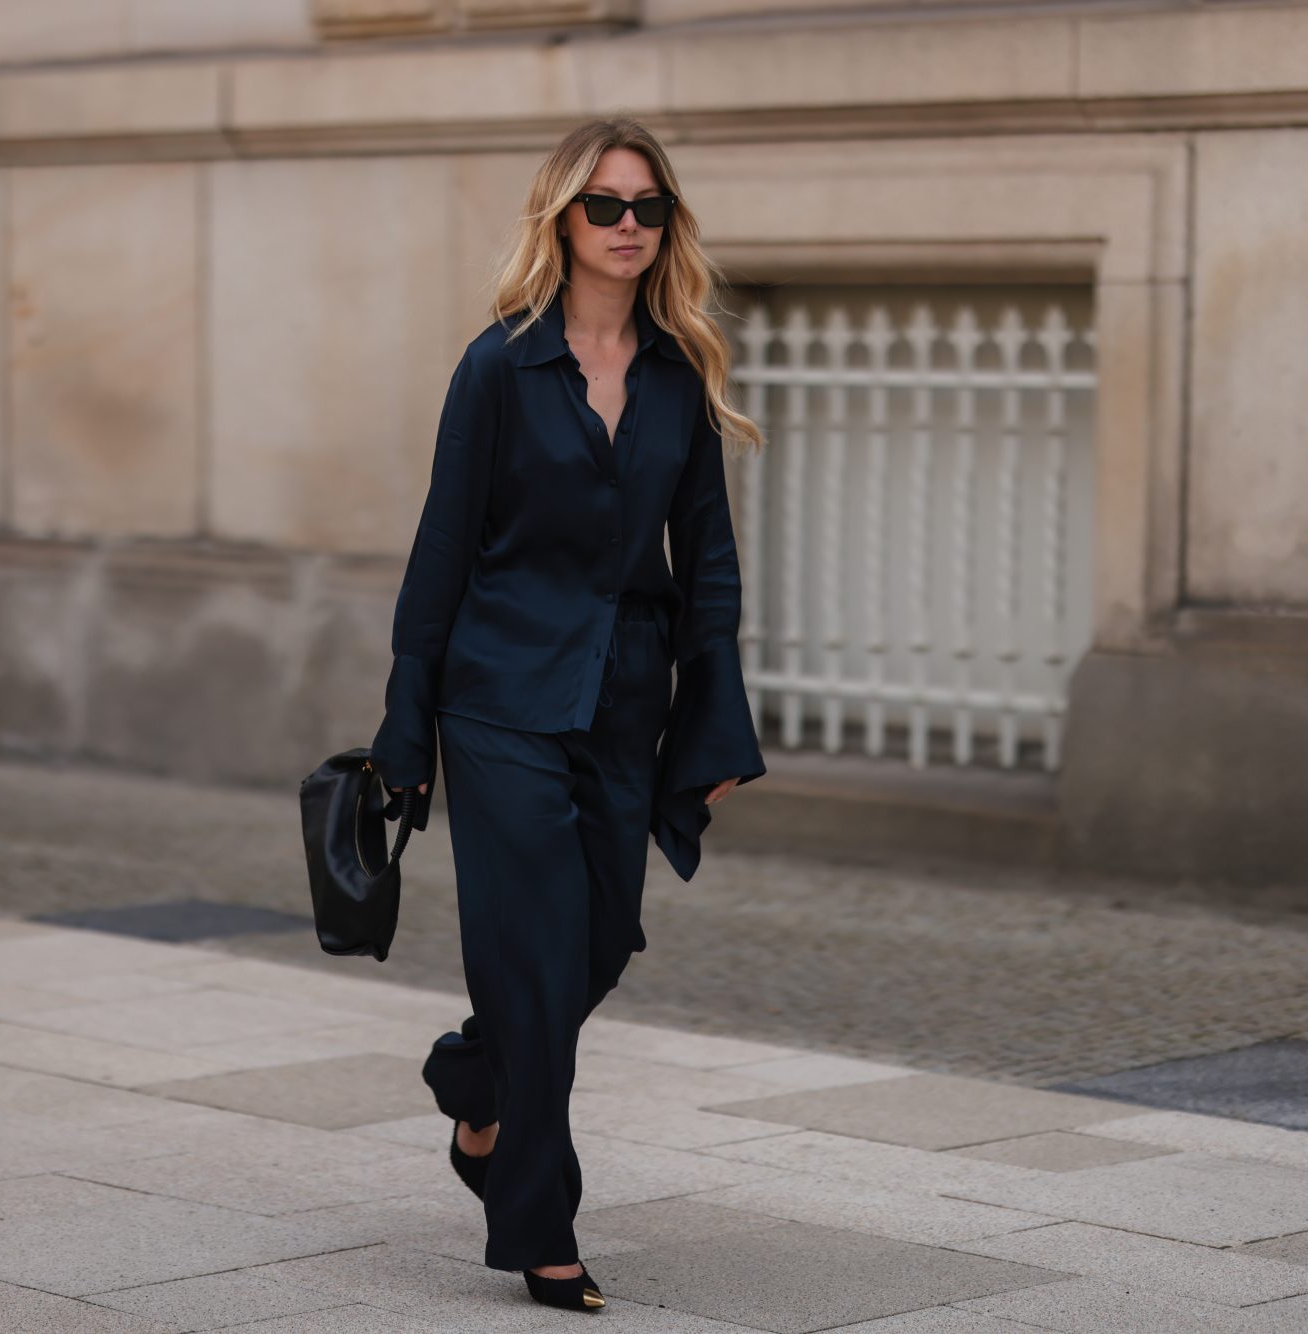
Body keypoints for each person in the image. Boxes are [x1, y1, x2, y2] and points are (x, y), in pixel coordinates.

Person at [367, 115, 767, 1313]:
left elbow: (706, 562)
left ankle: (473, 1083)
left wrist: (715, 725)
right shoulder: (498, 365)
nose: (630, 224)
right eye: (606, 205)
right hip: (495, 698)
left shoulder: (678, 372)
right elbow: (441, 550)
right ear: (562, 219)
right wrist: (405, 725)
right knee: (537, 956)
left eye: (648, 206)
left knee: (599, 941)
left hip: (621, 698)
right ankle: (541, 1227)